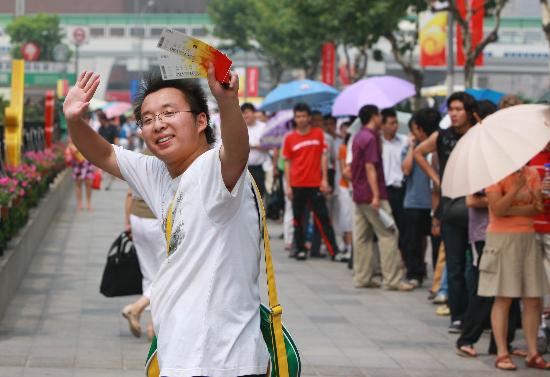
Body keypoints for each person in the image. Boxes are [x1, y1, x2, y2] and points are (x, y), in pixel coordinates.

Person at [63, 67, 270, 376]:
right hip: (179, 354)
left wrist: (228, 102)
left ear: (201, 120)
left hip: (221, 361)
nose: (157, 125)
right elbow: (104, 154)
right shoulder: (160, 172)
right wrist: (73, 120)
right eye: (147, 119)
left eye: (169, 113)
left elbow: (237, 152)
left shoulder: (214, 170)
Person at [454, 100, 523, 359]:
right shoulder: (484, 156)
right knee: (487, 289)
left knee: (510, 290)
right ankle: (467, 338)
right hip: (486, 232)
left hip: (511, 232)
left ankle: (501, 343)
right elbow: (472, 200)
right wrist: (503, 200)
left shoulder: (512, 158)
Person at [414, 92, 478, 333]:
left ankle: (475, 315)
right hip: (450, 207)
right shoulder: (443, 136)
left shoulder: (478, 134)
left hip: (477, 206)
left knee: (477, 266)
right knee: (455, 264)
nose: (453, 113)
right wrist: (436, 179)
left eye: (458, 109)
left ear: (470, 112)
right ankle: (458, 316)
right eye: (451, 109)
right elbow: (418, 152)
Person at [479, 166, 549, 370]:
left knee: (533, 298)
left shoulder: (532, 173)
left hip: (527, 237)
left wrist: (510, 208)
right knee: (503, 297)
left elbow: (537, 208)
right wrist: (514, 190)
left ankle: (533, 352)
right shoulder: (494, 174)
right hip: (501, 239)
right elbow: (497, 210)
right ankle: (502, 353)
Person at [351, 104, 413, 291]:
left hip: (359, 193)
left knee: (362, 236)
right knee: (389, 233)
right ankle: (392, 279)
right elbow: (370, 167)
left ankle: (362, 277)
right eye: (379, 115)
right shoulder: (370, 138)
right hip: (372, 194)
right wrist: (376, 195)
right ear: (374, 117)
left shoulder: (359, 136)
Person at [282, 103, 341, 261]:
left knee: (323, 218)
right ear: (295, 118)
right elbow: (287, 162)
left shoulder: (318, 134)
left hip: (315, 183)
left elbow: (324, 156)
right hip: (297, 184)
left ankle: (333, 250)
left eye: (304, 116)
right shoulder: (289, 138)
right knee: (298, 219)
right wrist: (288, 186)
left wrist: (324, 180)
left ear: (309, 118)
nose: (301, 119)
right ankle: (300, 249)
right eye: (298, 116)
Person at [121, 149, 165, 341]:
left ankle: (151, 325)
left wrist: (128, 223)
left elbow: (130, 194)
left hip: (137, 218)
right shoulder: (169, 157)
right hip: (157, 221)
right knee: (165, 275)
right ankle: (139, 310)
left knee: (150, 275)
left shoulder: (140, 157)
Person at [401, 108, 440, 287]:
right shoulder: (412, 148)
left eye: (415, 129)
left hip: (434, 203)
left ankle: (435, 279)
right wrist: (412, 147)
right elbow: (406, 169)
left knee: (434, 242)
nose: (413, 133)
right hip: (414, 201)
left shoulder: (438, 146)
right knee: (413, 242)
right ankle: (414, 274)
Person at [381, 108, 408, 257]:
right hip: (383, 190)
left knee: (402, 227)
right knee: (385, 228)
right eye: (391, 123)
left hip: (400, 188)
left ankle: (401, 259)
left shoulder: (404, 141)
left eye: (396, 122)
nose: (395, 126)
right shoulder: (377, 142)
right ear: (383, 125)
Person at [242, 102, 268, 197]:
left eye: (247, 112)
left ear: (254, 113)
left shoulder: (263, 127)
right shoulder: (240, 128)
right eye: (243, 113)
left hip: (259, 168)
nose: (245, 115)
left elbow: (268, 145)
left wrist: (252, 146)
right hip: (243, 169)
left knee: (259, 195)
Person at [65, 136, 95, 212]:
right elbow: (69, 145)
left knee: (89, 183)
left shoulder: (87, 132)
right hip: (77, 163)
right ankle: (80, 204)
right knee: (78, 184)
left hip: (87, 162)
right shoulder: (72, 133)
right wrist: (72, 148)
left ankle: (88, 204)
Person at [96, 111, 119, 190]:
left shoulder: (113, 127)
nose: (99, 121)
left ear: (103, 119)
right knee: (102, 168)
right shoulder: (100, 129)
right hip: (102, 151)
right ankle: (100, 183)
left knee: (111, 170)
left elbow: (116, 139)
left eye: (99, 120)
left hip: (112, 150)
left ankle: (108, 185)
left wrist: (116, 151)